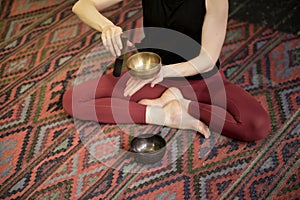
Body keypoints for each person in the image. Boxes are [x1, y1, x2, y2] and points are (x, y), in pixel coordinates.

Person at [63, 0, 271, 141]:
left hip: (199, 80)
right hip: (152, 77)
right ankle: (163, 114)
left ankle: (183, 104)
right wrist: (106, 26)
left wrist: (164, 72)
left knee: (257, 125)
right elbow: (81, 5)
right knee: (73, 100)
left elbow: (207, 60)